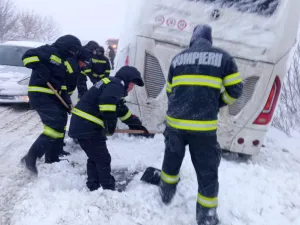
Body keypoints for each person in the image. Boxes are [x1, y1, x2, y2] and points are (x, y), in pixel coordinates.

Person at [158, 24, 243, 225]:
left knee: (171, 162)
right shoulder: (223, 57)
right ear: (209, 39)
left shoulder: (178, 58)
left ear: (192, 39)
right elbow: (236, 90)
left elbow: (170, 91)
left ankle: (165, 193)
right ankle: (206, 216)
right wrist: (217, 101)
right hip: (203, 129)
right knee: (207, 173)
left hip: (175, 125)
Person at [68, 66, 145, 191]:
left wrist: (136, 125)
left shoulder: (111, 84)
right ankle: (107, 188)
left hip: (83, 125)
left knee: (95, 157)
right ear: (126, 80)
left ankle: (93, 185)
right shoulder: (116, 85)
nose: (131, 88)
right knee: (103, 158)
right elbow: (107, 102)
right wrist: (110, 124)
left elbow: (119, 109)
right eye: (132, 84)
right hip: (87, 125)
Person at [20, 35, 83, 174]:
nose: (73, 54)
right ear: (66, 46)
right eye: (73, 50)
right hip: (40, 94)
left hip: (55, 96)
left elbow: (63, 85)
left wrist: (67, 102)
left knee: (61, 123)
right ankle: (31, 157)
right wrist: (39, 67)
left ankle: (52, 157)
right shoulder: (48, 50)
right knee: (54, 125)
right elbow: (27, 56)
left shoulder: (62, 62)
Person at [58, 48, 93, 156]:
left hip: (62, 96)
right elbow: (63, 84)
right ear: (79, 59)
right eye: (83, 63)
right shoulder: (70, 66)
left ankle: (58, 145)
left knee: (62, 122)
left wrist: (67, 100)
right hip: (57, 96)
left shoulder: (75, 66)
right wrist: (67, 101)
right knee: (58, 123)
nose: (83, 66)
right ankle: (55, 148)